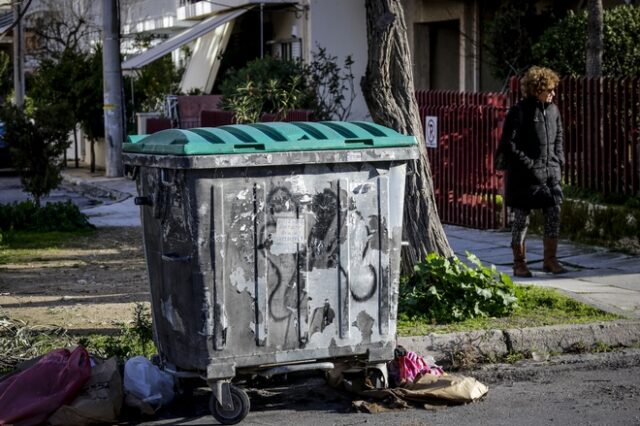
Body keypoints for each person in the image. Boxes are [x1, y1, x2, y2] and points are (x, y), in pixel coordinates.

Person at [497, 66, 567, 277]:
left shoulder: (554, 111)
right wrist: (529, 165)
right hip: (524, 178)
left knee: (554, 213)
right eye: (550, 90)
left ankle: (550, 260)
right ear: (537, 89)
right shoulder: (519, 111)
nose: (553, 94)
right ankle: (520, 263)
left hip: (550, 174)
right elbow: (509, 145)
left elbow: (559, 138)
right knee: (521, 219)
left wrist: (558, 161)